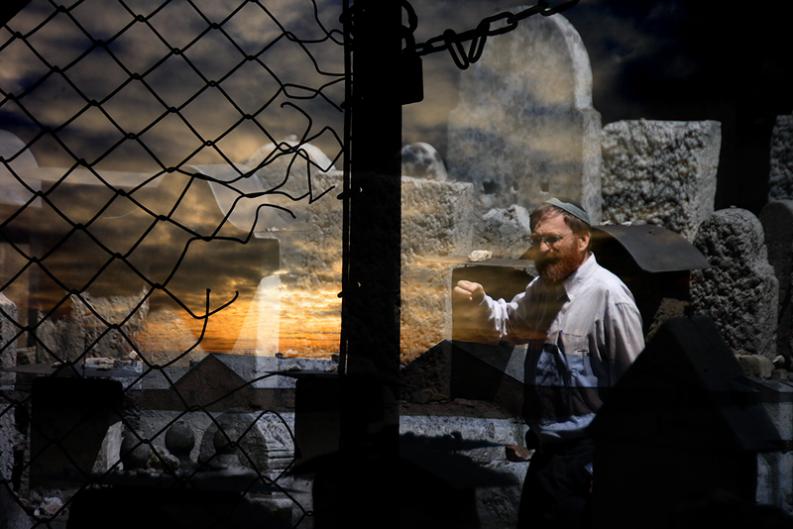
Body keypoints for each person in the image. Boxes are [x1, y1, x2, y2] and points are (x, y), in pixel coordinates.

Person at [453, 197, 645, 529]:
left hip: (585, 465)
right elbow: (509, 323)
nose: (543, 249)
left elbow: (635, 396)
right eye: (537, 240)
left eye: (553, 239)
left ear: (583, 239)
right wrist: (480, 301)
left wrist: (611, 471)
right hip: (546, 461)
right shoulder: (544, 289)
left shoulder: (609, 297)